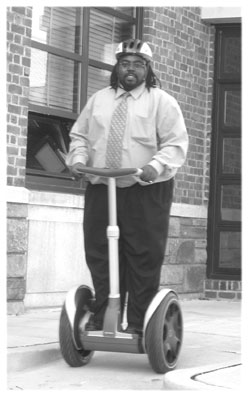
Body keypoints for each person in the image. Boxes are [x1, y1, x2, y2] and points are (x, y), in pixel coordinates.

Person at [66, 39, 188, 335]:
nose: (130, 69)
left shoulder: (162, 101)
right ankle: (101, 316)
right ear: (116, 67)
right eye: (124, 63)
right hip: (101, 185)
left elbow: (175, 143)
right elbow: (80, 136)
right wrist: (78, 160)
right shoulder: (99, 99)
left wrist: (154, 167)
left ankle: (138, 322)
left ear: (147, 68)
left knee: (143, 255)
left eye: (137, 64)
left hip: (144, 187)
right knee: (100, 252)